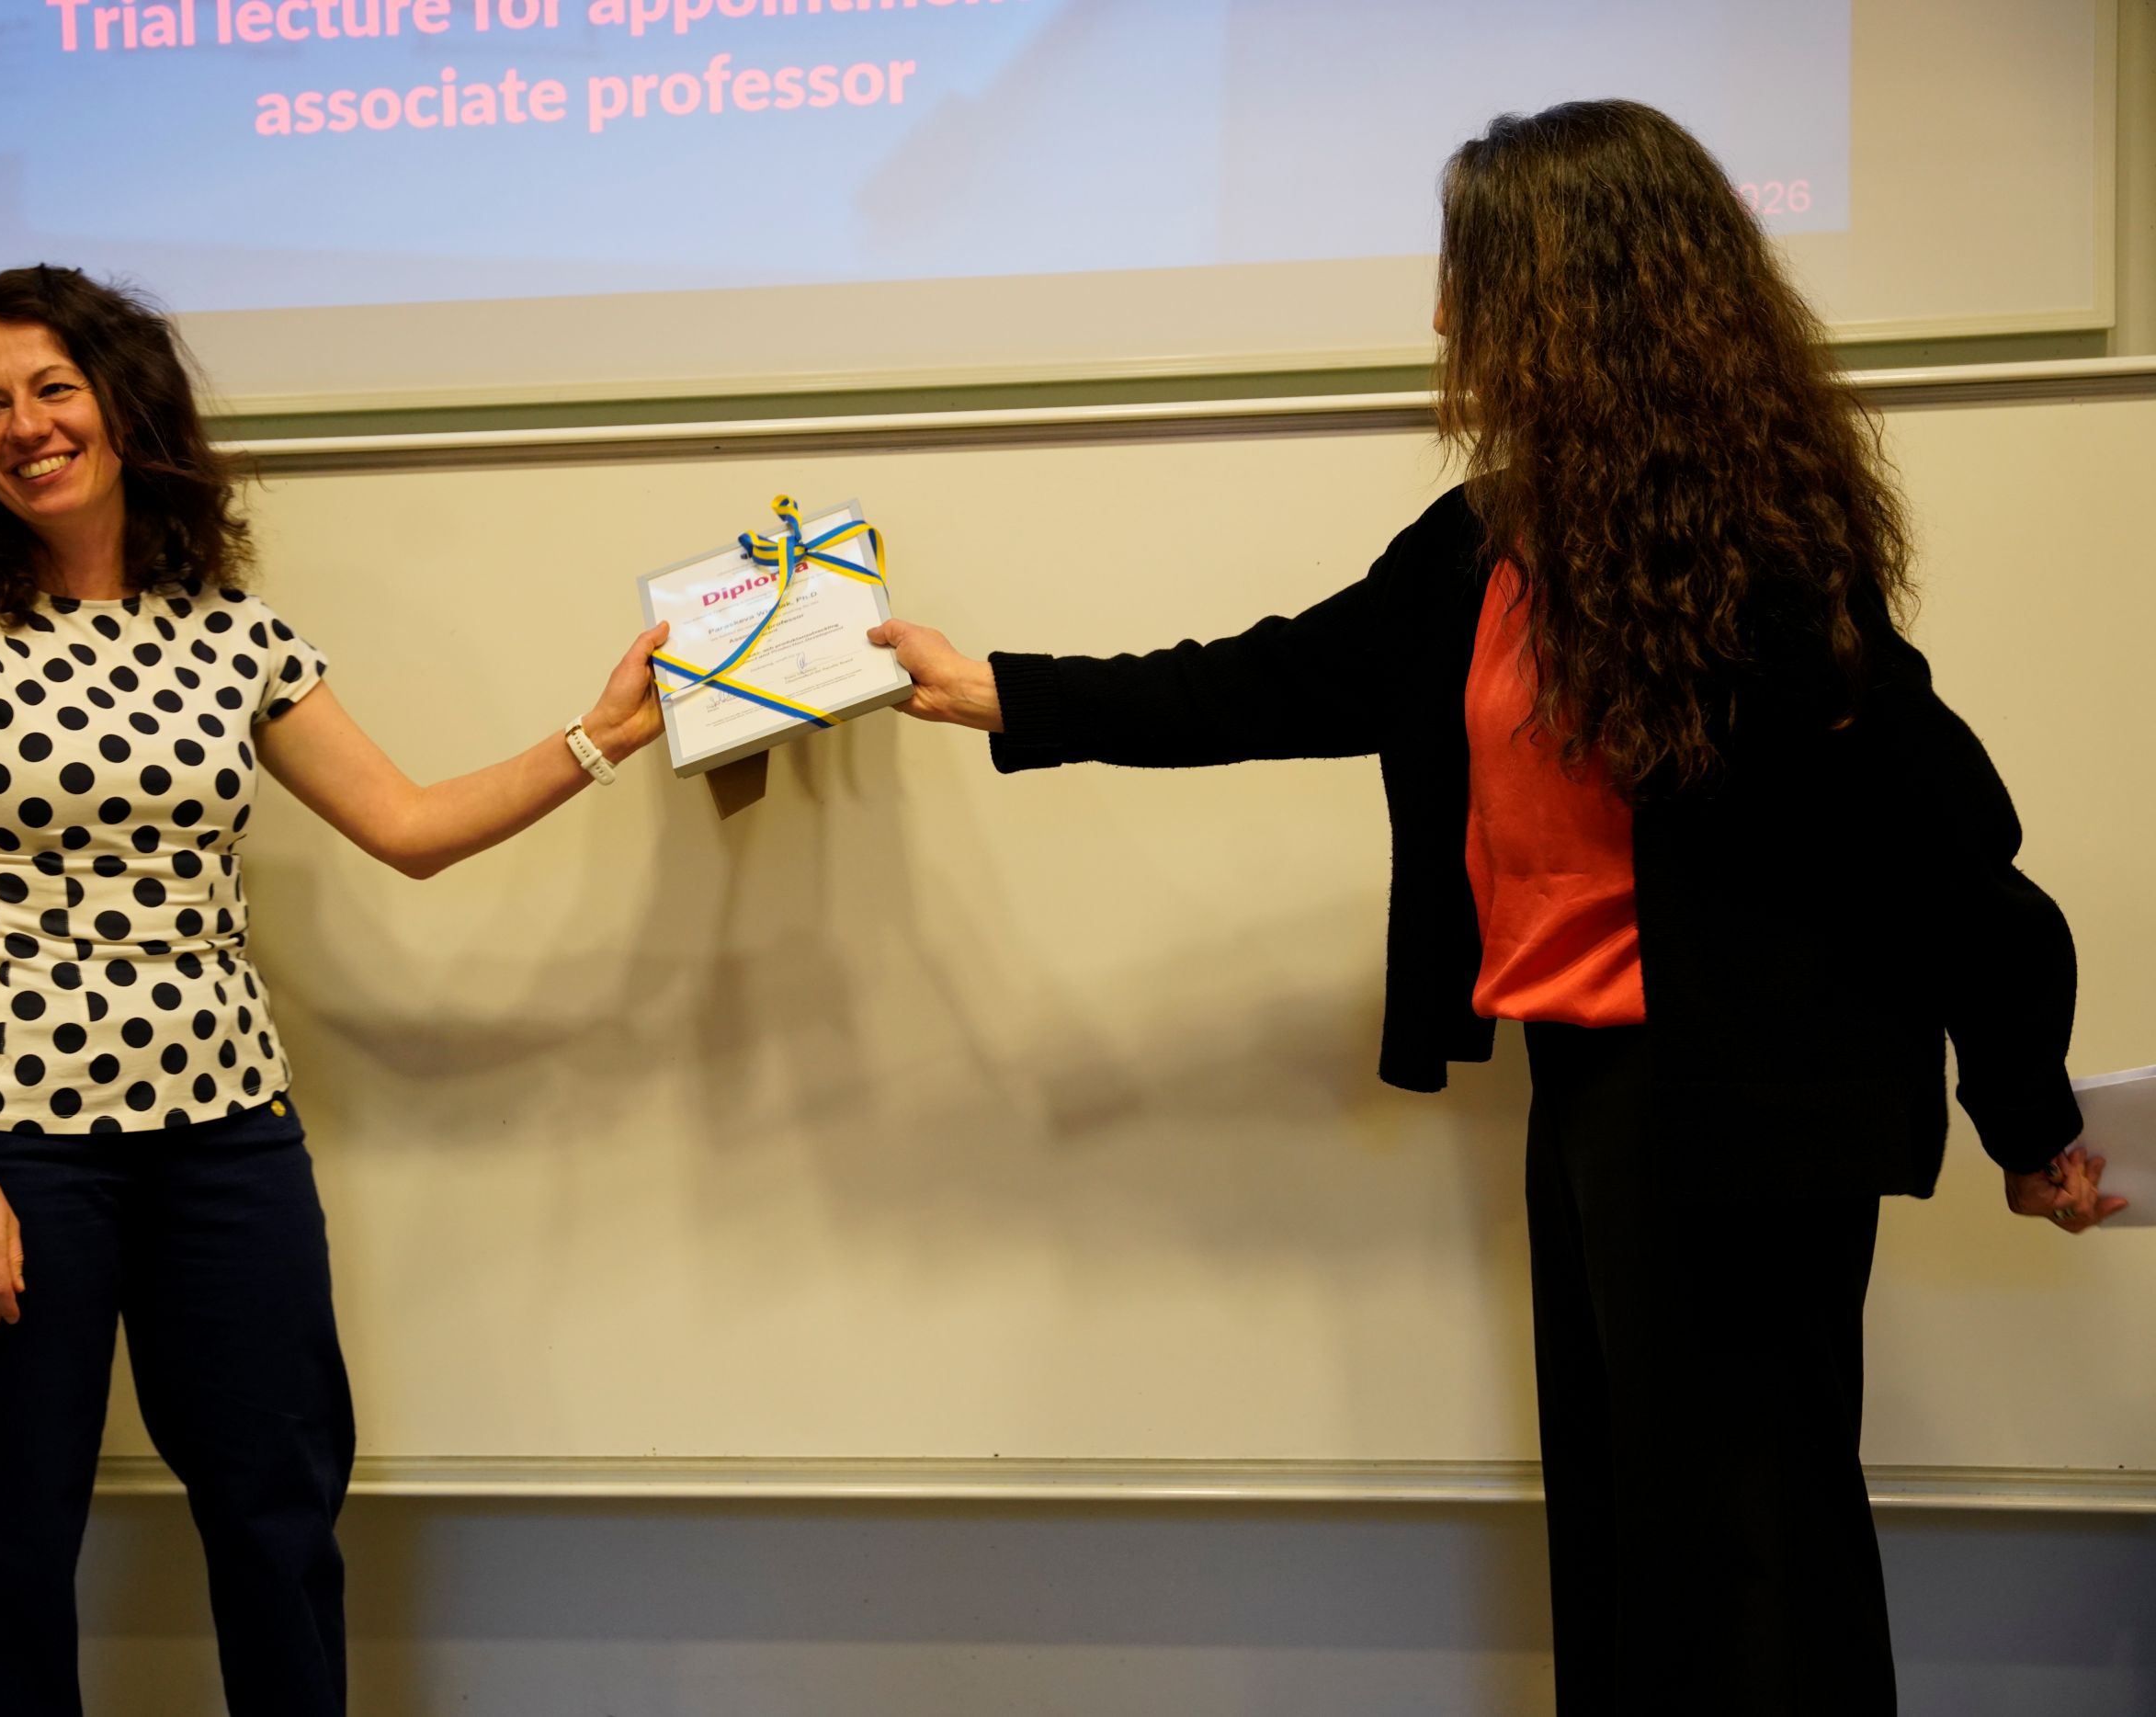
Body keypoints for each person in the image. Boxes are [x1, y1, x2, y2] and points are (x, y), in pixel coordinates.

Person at [868, 101, 2123, 1716]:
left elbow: (1947, 842)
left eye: (1469, 279)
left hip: (1748, 1112)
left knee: (1753, 1561)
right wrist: (1003, 690)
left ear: (1571, 294)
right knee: (1626, 1536)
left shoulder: (1744, 555)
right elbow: (1293, 673)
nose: (1444, 319)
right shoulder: (1498, 537)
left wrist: (2031, 1115)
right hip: (1598, 1094)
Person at [0, 264, 667, 1715]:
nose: (22, 427)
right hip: (14, 1144)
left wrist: (598, 737)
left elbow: (403, 826)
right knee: (1, 1538)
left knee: (279, 1511)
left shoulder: (231, 629)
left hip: (227, 1137)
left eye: (51, 389)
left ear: (124, 402)